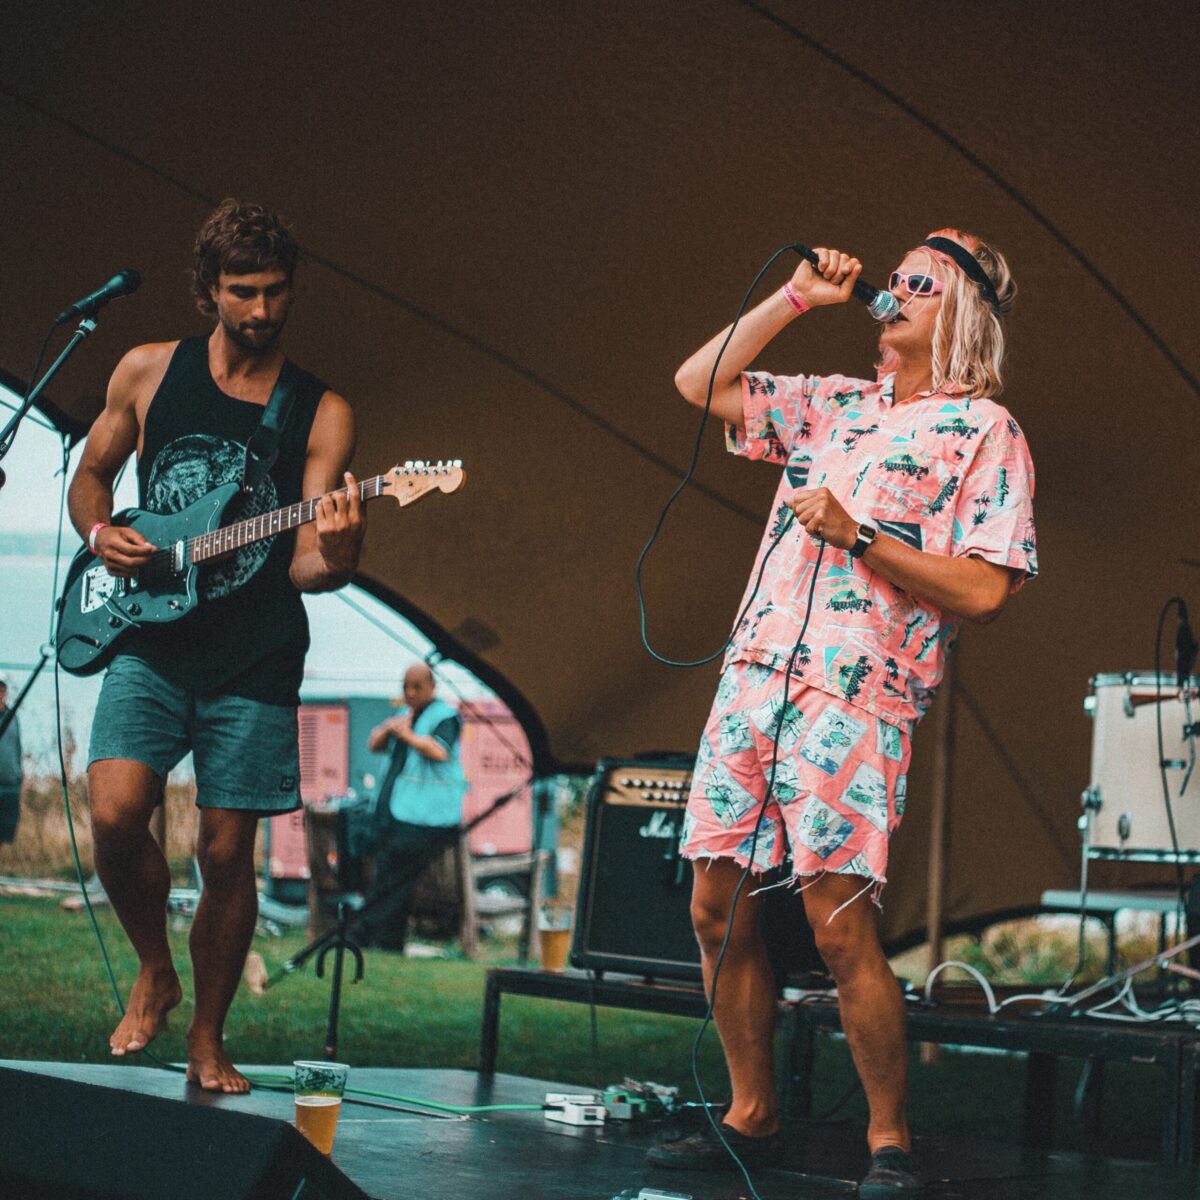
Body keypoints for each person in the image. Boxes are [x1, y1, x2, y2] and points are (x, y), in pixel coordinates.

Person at [649, 232, 1036, 1196]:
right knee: (711, 903)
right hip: (753, 676)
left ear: (964, 314)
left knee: (836, 924)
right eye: (894, 275)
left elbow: (987, 591)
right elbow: (699, 382)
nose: (894, 289)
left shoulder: (985, 430)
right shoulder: (834, 403)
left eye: (922, 282)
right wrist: (793, 297)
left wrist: (860, 536)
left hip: (856, 693)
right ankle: (752, 1110)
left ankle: (888, 1140)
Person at [67, 199, 366, 1093]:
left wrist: (342, 546)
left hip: (256, 655)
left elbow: (310, 566)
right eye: (244, 292)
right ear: (209, 291)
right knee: (117, 813)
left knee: (226, 854)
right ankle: (154, 967)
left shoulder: (320, 410)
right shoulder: (149, 370)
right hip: (148, 635)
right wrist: (96, 534)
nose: (263, 310)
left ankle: (207, 1034)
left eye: (276, 292)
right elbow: (92, 473)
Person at [356, 663, 467, 951]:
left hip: (429, 817)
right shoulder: (404, 716)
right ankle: (386, 940)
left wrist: (405, 734)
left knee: (395, 874)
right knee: (390, 874)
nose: (410, 692)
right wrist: (388, 729)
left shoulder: (446, 717)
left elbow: (439, 751)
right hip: (400, 812)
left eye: (417, 686)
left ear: (432, 686)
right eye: (405, 686)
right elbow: (374, 745)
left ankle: (366, 932)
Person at [0, 678, 23, 846]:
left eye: (2, 687)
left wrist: (19, 773)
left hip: (10, 781)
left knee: (6, 831)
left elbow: (17, 747)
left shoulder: (13, 717)